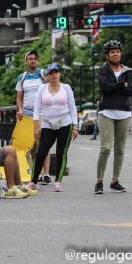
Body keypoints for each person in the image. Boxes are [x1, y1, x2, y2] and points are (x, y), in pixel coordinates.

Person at [28, 63, 78, 193]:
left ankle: (58, 181)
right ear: (47, 76)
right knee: (41, 152)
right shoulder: (42, 89)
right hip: (48, 124)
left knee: (61, 152)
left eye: (56, 72)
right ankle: (33, 181)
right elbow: (37, 109)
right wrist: (35, 127)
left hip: (65, 123)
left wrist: (75, 126)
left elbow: (73, 108)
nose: (54, 75)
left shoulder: (66, 88)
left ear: (59, 74)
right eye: (51, 73)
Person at [94, 40, 132, 194]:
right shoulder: (103, 70)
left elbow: (131, 89)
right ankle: (99, 181)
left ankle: (115, 181)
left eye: (118, 51)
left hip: (124, 112)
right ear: (107, 55)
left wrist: (118, 86)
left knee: (120, 149)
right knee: (105, 148)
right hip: (106, 112)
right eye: (112, 52)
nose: (116, 54)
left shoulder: (128, 71)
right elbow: (105, 87)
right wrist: (121, 85)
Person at [15, 49, 52, 185]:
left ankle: (46, 173)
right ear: (26, 62)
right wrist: (20, 109)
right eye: (30, 59)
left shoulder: (43, 74)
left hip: (43, 114)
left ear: (38, 61)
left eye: (35, 58)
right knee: (31, 146)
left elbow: (52, 87)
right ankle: (34, 172)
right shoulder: (22, 77)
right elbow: (19, 97)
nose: (33, 61)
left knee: (44, 144)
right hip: (27, 115)